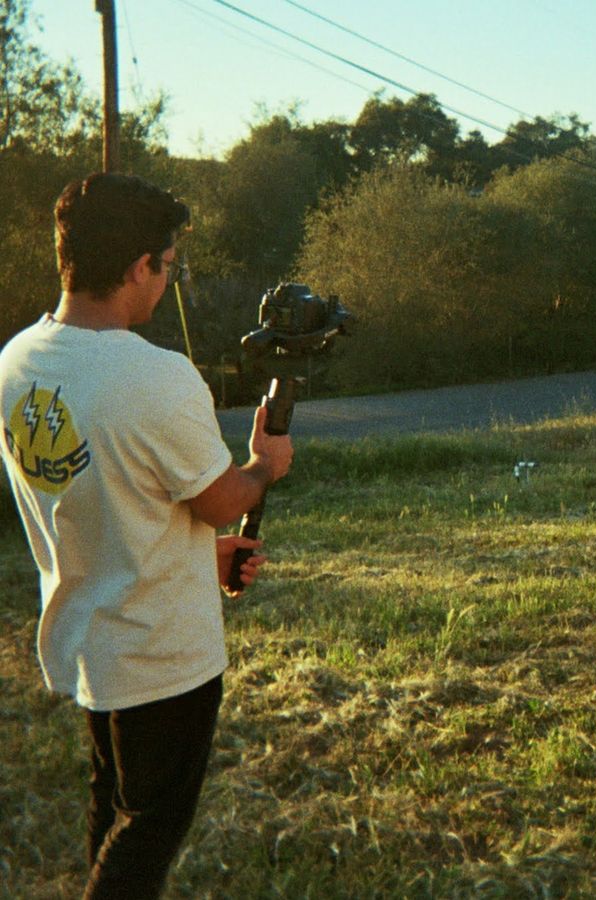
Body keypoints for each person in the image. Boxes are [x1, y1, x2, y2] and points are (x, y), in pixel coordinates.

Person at [0, 173, 294, 898]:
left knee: (113, 804)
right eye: (169, 265)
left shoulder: (16, 361)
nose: (168, 279)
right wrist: (265, 465)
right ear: (140, 267)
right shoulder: (155, 375)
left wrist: (197, 555)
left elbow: (99, 494)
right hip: (161, 656)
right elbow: (220, 501)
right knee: (150, 827)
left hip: (86, 640)